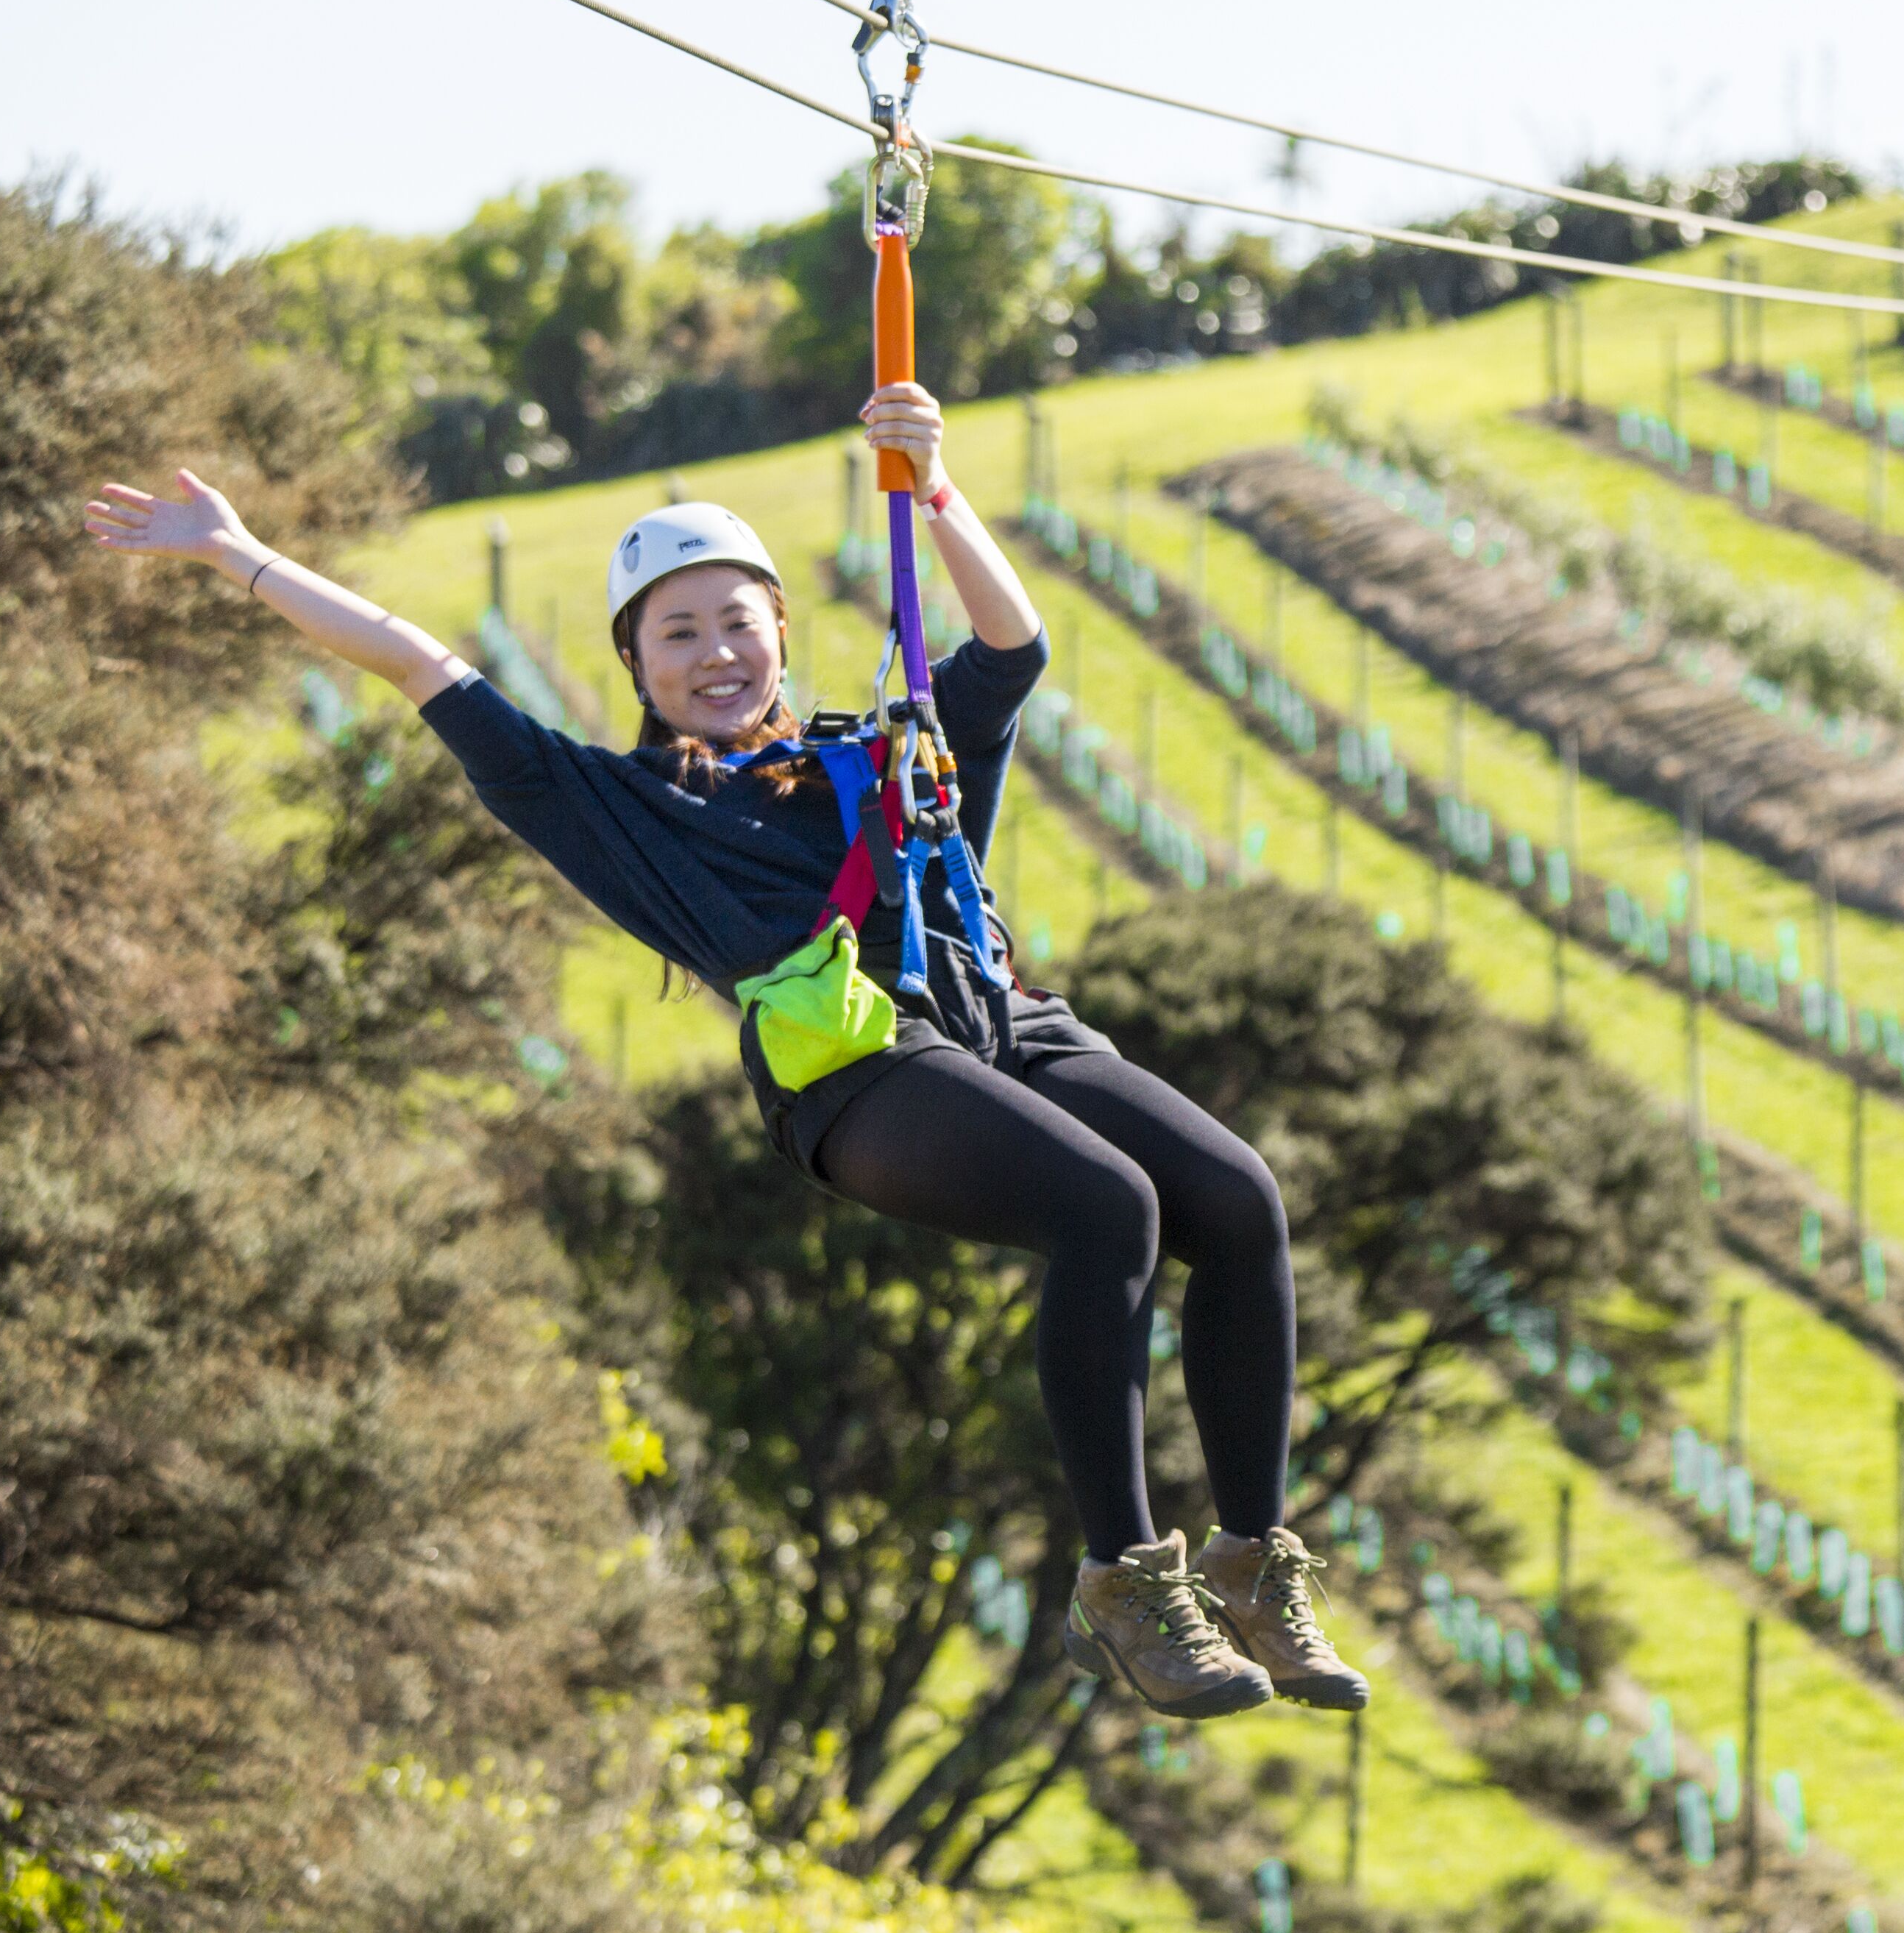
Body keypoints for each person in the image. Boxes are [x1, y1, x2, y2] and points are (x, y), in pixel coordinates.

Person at [82, 380, 1368, 1717]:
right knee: (1112, 1208)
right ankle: (1125, 1581)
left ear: (780, 636)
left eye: (736, 624)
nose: (713, 654)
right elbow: (416, 659)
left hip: (995, 1017)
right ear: (634, 665)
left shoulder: (881, 755)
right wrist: (238, 554)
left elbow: (1012, 647)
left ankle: (1251, 1563)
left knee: (1238, 1199)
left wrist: (931, 485)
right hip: (854, 1072)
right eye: (677, 633)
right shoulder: (606, 803)